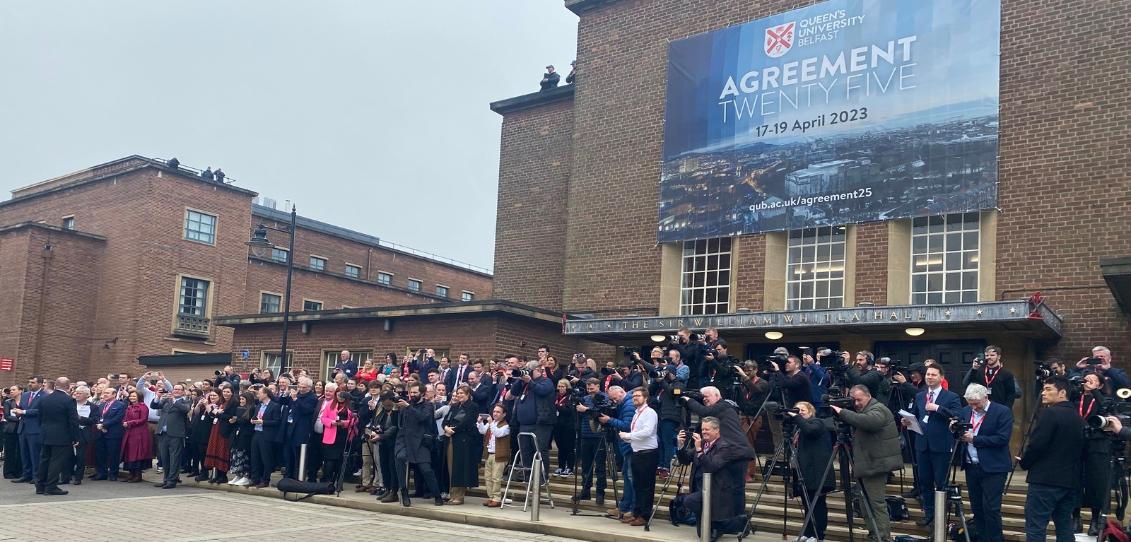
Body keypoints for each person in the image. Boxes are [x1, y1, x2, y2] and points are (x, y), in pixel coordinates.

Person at [830, 385, 902, 542]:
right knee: (864, 502)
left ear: (868, 396)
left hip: (876, 465)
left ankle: (883, 537)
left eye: (858, 400)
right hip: (867, 464)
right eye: (853, 400)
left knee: (876, 503)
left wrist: (842, 412)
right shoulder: (863, 410)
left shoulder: (878, 409)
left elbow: (869, 422)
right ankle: (873, 533)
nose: (855, 403)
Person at [1020, 376, 1085, 542]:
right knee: (1064, 526)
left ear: (1062, 393)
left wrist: (1024, 462)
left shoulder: (1050, 413)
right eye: (1043, 389)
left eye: (1048, 389)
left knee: (1036, 526)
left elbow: (1037, 445)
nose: (1043, 393)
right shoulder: (1078, 417)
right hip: (1069, 481)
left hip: (1045, 480)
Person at [674, 416, 757, 537]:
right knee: (703, 534)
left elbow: (712, 467)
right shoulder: (702, 443)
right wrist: (680, 446)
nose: (704, 432)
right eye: (702, 429)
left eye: (707, 429)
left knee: (689, 501)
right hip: (699, 488)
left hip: (715, 491)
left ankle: (736, 523)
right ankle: (720, 524)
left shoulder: (725, 446)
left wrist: (699, 450)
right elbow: (685, 460)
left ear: (716, 430)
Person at [903, 365, 961, 526]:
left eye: (933, 375)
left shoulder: (951, 396)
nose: (929, 377)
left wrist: (938, 408)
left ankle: (941, 515)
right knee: (924, 481)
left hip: (941, 446)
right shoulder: (920, 396)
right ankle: (929, 513)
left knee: (941, 482)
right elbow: (916, 415)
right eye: (928, 374)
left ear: (941, 378)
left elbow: (958, 415)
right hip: (922, 445)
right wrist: (907, 421)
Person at [954, 383, 1013, 542]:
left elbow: (1002, 439)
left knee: (991, 509)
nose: (973, 406)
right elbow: (961, 429)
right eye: (970, 403)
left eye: (976, 403)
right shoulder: (966, 411)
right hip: (971, 465)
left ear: (986, 397)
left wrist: (975, 439)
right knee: (977, 508)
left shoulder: (1002, 411)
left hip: (993, 467)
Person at [393, 382, 442, 507]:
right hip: (405, 440)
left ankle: (437, 495)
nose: (412, 395)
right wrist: (396, 410)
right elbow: (399, 423)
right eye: (411, 392)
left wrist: (408, 406)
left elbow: (423, 418)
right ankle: (404, 493)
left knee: (426, 470)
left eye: (415, 392)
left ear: (422, 393)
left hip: (421, 442)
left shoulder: (428, 406)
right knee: (400, 459)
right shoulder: (405, 406)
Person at [619, 387, 659, 527]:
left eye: (638, 396)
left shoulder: (650, 412)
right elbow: (637, 432)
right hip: (637, 452)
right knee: (637, 485)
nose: (635, 398)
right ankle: (636, 513)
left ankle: (644, 515)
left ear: (645, 398)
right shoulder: (637, 413)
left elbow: (647, 432)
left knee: (646, 487)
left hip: (647, 454)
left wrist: (628, 436)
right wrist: (628, 439)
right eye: (634, 396)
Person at [33, 378, 79, 496]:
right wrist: (75, 437)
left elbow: (40, 417)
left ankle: (40, 485)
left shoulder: (45, 399)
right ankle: (51, 486)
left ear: (55, 386)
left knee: (44, 459)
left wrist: (43, 429)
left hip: (45, 433)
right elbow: (73, 420)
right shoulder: (69, 400)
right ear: (68, 387)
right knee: (56, 461)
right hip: (61, 435)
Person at [597, 385, 636, 520]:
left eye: (615, 398)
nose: (614, 402)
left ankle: (632, 508)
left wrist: (609, 420)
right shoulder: (623, 404)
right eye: (612, 399)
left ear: (621, 392)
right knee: (626, 476)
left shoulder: (629, 405)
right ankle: (624, 506)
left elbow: (627, 425)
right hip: (627, 446)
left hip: (631, 446)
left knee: (631, 478)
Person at [573, 378, 608, 506]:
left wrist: (586, 409)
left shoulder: (603, 397)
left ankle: (600, 492)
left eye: (592, 387)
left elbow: (600, 413)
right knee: (586, 466)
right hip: (585, 434)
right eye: (588, 387)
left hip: (599, 435)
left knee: (600, 466)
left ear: (598, 386)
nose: (589, 390)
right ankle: (585, 490)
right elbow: (579, 414)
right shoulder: (585, 398)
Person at [442, 385, 479, 505]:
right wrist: (446, 428)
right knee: (450, 467)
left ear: (468, 394)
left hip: (464, 441)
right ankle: (452, 494)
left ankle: (459, 496)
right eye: (458, 393)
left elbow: (467, 421)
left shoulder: (473, 407)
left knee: (460, 468)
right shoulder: (454, 406)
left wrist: (454, 429)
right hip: (451, 440)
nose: (459, 395)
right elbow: (445, 420)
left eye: (462, 393)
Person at [150, 382, 191, 489]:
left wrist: (174, 401)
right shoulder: (166, 400)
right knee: (165, 458)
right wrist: (157, 397)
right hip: (162, 433)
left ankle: (172, 480)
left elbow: (185, 409)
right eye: (175, 389)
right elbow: (154, 406)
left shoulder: (185, 400)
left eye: (179, 389)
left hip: (175, 434)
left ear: (183, 392)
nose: (176, 391)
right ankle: (166, 479)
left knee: (174, 458)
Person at [279, 376, 317, 481]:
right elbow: (282, 402)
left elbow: (305, 410)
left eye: (303, 387)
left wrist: (295, 399)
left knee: (298, 456)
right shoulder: (297, 394)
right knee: (288, 454)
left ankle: (297, 478)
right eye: (299, 386)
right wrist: (285, 394)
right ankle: (287, 476)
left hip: (301, 429)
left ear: (309, 388)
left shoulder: (312, 398)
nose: (300, 389)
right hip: (290, 427)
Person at [11, 376, 45, 483]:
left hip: (35, 429)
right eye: (29, 382)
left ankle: (36, 476)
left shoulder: (45, 396)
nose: (30, 384)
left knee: (34, 454)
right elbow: (21, 408)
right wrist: (17, 411)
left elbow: (40, 411)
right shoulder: (25, 395)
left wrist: (24, 412)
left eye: (33, 382)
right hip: (23, 427)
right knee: (24, 453)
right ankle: (26, 474)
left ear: (40, 384)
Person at [248, 386, 283, 488]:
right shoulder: (259, 405)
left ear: (265, 394)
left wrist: (263, 422)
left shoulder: (274, 406)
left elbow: (277, 421)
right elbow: (255, 416)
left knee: (266, 458)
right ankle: (255, 478)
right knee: (255, 457)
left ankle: (265, 479)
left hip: (266, 435)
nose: (258, 395)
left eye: (259, 393)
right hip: (257, 433)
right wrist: (253, 420)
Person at [477, 403, 510, 507]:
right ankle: (491, 497)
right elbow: (482, 431)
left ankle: (497, 498)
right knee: (488, 477)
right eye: (494, 411)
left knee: (496, 477)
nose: (495, 413)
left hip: (499, 455)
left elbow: (498, 433)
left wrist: (490, 423)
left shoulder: (506, 426)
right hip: (489, 453)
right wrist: (480, 422)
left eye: (498, 412)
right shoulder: (492, 423)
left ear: (504, 414)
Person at [320, 390, 355, 486]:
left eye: (342, 396)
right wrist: (331, 422)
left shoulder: (349, 405)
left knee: (339, 460)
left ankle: (338, 482)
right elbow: (323, 418)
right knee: (329, 460)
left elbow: (354, 421)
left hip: (342, 436)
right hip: (330, 434)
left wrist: (344, 423)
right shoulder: (330, 404)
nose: (340, 397)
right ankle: (327, 480)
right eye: (338, 395)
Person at [203, 386, 235, 484]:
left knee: (222, 451)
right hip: (216, 428)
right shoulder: (222, 403)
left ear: (232, 393)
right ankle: (217, 475)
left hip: (224, 430)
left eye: (228, 392)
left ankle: (223, 475)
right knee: (215, 450)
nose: (226, 393)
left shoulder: (233, 403)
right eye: (224, 392)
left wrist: (218, 413)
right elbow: (215, 414)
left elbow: (229, 416)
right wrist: (216, 412)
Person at [92, 387, 125, 481]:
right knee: (100, 454)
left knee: (113, 454)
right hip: (100, 433)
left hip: (113, 433)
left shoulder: (120, 405)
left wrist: (104, 425)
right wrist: (99, 424)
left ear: (114, 394)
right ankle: (102, 473)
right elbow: (97, 417)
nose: (105, 394)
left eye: (107, 393)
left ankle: (113, 474)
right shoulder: (101, 405)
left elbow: (118, 418)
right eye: (104, 393)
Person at [119, 390, 152, 483]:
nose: (132, 398)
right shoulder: (129, 407)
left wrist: (129, 423)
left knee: (137, 453)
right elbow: (125, 418)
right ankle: (131, 474)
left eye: (134, 396)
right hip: (129, 432)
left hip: (139, 433)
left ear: (139, 397)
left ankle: (137, 475)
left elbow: (143, 419)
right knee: (128, 452)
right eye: (131, 396)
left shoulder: (143, 407)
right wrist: (124, 422)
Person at [226, 391, 256, 486]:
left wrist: (237, 419)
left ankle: (246, 475)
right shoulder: (238, 408)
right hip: (238, 434)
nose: (241, 401)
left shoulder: (252, 409)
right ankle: (238, 474)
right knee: (236, 455)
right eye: (240, 399)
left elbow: (247, 421)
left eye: (243, 399)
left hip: (246, 435)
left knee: (244, 456)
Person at [552, 379, 577, 477]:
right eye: (559, 386)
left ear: (567, 387)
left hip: (568, 425)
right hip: (558, 425)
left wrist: (557, 406)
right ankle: (561, 466)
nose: (561, 388)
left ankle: (570, 467)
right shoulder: (555, 396)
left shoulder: (570, 396)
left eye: (563, 386)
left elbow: (568, 410)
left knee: (569, 448)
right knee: (560, 447)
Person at [3, 385, 23, 479]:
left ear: (20, 391)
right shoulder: (8, 402)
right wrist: (19, 418)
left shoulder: (24, 402)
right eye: (10, 390)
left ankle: (19, 471)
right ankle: (8, 472)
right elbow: (7, 416)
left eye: (14, 390)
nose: (11, 391)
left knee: (20, 450)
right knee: (9, 450)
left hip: (22, 429)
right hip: (11, 429)